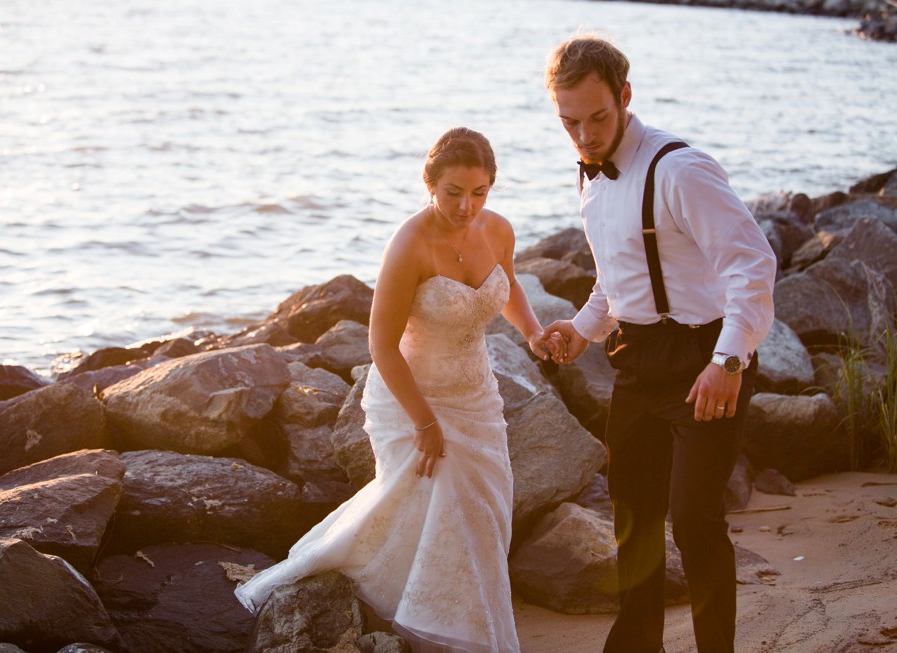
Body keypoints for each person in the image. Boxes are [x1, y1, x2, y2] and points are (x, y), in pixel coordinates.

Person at [236, 126, 558, 652]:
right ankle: (437, 630)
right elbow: (381, 346)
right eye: (453, 192)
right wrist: (424, 423)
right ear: (429, 183)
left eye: (479, 193)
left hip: (476, 395)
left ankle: (462, 624)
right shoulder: (409, 244)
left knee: (485, 513)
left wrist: (535, 332)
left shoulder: (498, 230)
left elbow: (510, 285)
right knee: (440, 503)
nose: (466, 206)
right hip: (411, 396)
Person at [540, 35, 777, 653]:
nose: (585, 137)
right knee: (633, 516)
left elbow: (752, 264)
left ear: (624, 96)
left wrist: (729, 360)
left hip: (707, 360)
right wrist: (579, 328)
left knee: (696, 522)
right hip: (639, 365)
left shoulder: (680, 170)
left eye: (597, 118)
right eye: (570, 123)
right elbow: (618, 278)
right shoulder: (590, 175)